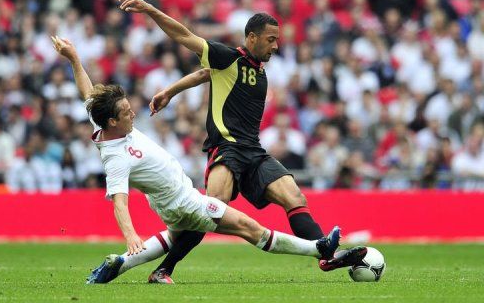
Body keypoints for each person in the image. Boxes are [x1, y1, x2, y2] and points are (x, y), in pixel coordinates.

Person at [51, 36, 365, 285]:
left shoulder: (103, 123)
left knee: (176, 237)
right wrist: (131, 235)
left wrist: (74, 59)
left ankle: (121, 264)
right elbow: (119, 202)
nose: (132, 113)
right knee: (248, 227)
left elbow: (89, 94)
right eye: (125, 113)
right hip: (183, 202)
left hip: (171, 201)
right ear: (111, 122)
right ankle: (320, 249)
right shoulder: (116, 157)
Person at [118, 0, 365, 283]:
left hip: (254, 152)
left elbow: (204, 75)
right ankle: (164, 269)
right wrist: (148, 8)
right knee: (210, 210)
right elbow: (184, 36)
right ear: (251, 38)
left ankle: (326, 256)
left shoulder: (256, 71)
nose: (276, 45)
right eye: (271, 39)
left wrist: (170, 91)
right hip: (227, 149)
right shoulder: (229, 57)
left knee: (294, 195)